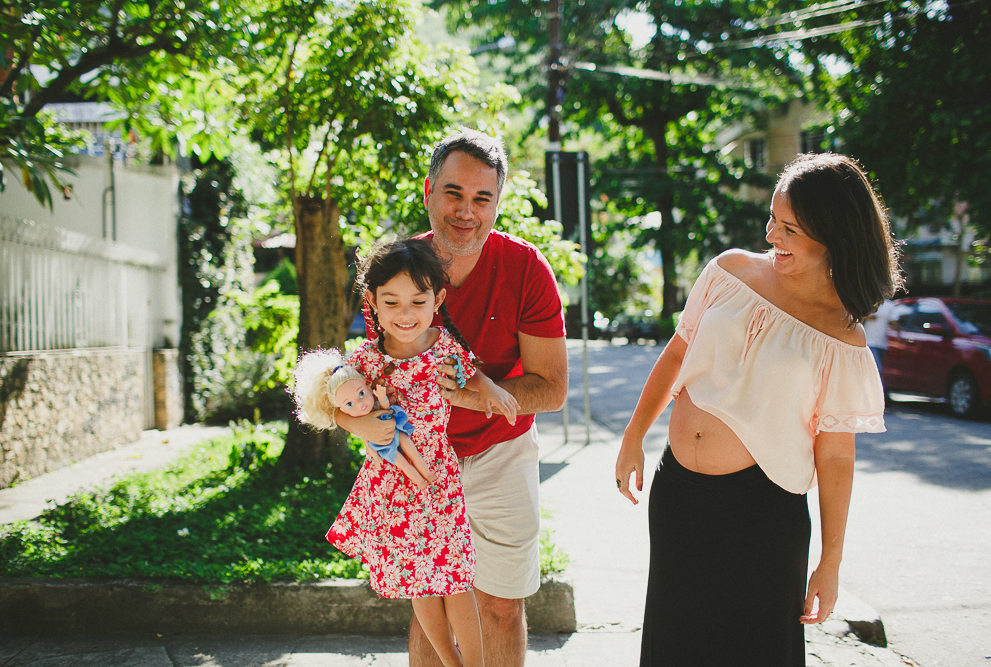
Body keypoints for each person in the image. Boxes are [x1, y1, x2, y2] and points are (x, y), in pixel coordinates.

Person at [615, 153, 902, 666]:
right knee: (673, 646)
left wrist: (829, 561)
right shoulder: (728, 270)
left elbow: (835, 458)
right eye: (772, 218)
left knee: (751, 653)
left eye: (789, 228)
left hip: (762, 520)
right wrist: (634, 436)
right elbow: (678, 352)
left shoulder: (841, 334)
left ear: (831, 235)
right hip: (678, 494)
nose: (772, 235)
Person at [336, 129, 569, 667]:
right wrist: (368, 428)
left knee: (500, 605)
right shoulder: (396, 272)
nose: (467, 211)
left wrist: (462, 397)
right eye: (454, 193)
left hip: (499, 453)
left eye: (482, 198)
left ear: (497, 203)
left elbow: (551, 388)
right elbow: (374, 380)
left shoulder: (526, 269)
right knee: (431, 598)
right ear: (428, 191)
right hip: (416, 461)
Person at [292, 239, 519, 667]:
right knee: (420, 584)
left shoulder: (443, 346)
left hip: (439, 481)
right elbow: (331, 408)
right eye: (391, 301)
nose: (406, 313)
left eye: (418, 300)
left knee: (456, 579)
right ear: (372, 303)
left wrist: (496, 396)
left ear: (438, 300)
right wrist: (357, 422)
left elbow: (474, 374)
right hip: (392, 487)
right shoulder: (365, 361)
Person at [290, 349, 437, 489]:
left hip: (398, 433)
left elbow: (386, 407)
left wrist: (382, 397)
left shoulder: (375, 405)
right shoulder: (362, 424)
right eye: (349, 404)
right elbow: (367, 442)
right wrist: (376, 458)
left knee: (414, 453)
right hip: (384, 446)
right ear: (342, 410)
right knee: (404, 464)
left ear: (367, 386)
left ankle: (429, 476)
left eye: (361, 394)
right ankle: (422, 484)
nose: (360, 404)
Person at [864, 298, 896, 379]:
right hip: (869, 342)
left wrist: (899, 334)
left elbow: (894, 321)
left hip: (883, 344)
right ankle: (882, 390)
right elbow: (859, 315)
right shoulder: (870, 302)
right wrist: (867, 317)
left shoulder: (889, 305)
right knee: (876, 369)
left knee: (876, 369)